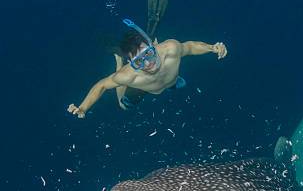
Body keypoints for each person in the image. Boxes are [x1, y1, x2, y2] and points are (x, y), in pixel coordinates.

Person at [67, 21, 227, 118]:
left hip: (167, 79)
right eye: (139, 61)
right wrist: (83, 107)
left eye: (149, 54)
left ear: (154, 47)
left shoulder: (171, 48)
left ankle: (170, 81)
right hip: (142, 87)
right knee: (124, 105)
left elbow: (190, 47)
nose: (149, 63)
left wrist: (212, 47)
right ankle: (118, 60)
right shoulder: (128, 76)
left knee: (174, 84)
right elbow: (101, 85)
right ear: (132, 64)